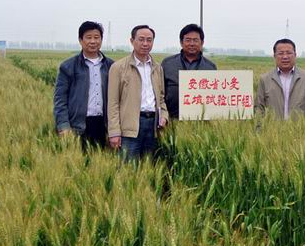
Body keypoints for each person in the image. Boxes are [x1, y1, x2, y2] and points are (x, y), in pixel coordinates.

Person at [107, 25, 169, 161]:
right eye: (141, 39)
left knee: (150, 166)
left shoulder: (157, 68)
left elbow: (161, 98)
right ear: (132, 41)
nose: (145, 44)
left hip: (153, 126)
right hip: (130, 127)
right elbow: (113, 102)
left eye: (149, 40)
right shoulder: (118, 67)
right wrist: (114, 132)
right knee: (129, 169)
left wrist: (164, 116)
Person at [53, 21, 114, 151]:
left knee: (101, 161)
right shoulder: (68, 66)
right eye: (88, 37)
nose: (93, 41)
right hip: (77, 126)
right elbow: (60, 99)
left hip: (103, 125)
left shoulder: (111, 66)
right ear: (80, 40)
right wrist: (63, 125)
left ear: (101, 40)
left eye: (96, 37)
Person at [161, 23, 217, 120]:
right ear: (181, 42)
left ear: (202, 43)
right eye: (188, 40)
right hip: (171, 119)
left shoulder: (210, 67)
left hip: (201, 121)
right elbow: (160, 93)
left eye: (195, 40)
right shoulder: (167, 64)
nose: (192, 44)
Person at [255, 38, 305, 120]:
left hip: (300, 127)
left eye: (289, 53)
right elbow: (259, 107)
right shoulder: (265, 79)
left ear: (295, 55)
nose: (285, 57)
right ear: (274, 56)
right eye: (280, 53)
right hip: (272, 127)